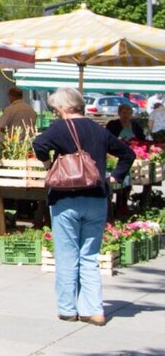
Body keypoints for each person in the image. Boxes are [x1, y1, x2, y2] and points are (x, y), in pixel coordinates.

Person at [33, 87, 134, 326]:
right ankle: (93, 309)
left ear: (65, 106)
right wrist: (115, 177)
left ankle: (68, 308)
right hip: (97, 198)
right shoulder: (99, 130)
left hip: (65, 198)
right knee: (89, 255)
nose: (55, 112)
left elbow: (38, 145)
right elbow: (127, 154)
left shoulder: (60, 128)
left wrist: (48, 165)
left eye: (56, 108)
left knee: (67, 255)